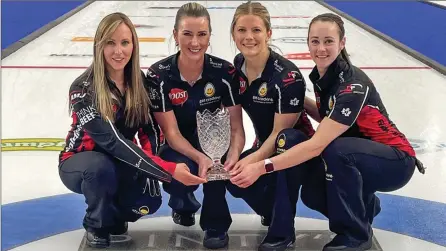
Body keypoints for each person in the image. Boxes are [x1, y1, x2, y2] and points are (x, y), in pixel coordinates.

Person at [231, 13, 426, 251]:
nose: (320, 48)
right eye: (315, 41)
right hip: (358, 154)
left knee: (335, 149)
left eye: (328, 41)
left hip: (395, 161)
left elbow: (317, 145)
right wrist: (290, 96)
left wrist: (262, 165)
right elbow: (328, 116)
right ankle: (366, 205)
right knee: (312, 194)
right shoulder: (324, 75)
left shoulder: (352, 84)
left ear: (342, 43)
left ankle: (356, 235)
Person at [58, 12, 206, 249]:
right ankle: (96, 224)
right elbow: (112, 141)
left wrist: (153, 164)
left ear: (134, 46)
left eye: (125, 43)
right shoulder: (83, 88)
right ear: (99, 46)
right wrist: (166, 170)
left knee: (149, 200)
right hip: (80, 162)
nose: (119, 51)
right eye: (111, 43)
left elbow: (149, 133)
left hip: (121, 159)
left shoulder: (139, 81)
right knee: (100, 167)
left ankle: (113, 212)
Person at [224, 2, 326, 251]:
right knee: (232, 178)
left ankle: (282, 232)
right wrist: (236, 159)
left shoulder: (286, 76)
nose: (249, 37)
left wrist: (255, 162)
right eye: (242, 30)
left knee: (286, 142)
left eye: (256, 30)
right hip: (266, 146)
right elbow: (237, 125)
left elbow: (281, 133)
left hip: (298, 151)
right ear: (233, 33)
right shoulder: (237, 65)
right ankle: (273, 209)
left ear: (268, 33)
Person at [145, 2, 245, 249]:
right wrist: (200, 157)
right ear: (175, 35)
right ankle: (183, 204)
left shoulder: (224, 72)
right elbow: (171, 132)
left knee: (216, 169)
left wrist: (232, 155)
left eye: (202, 34)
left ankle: (216, 225)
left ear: (210, 36)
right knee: (179, 172)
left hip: (214, 141)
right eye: (187, 34)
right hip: (177, 144)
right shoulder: (159, 75)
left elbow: (235, 127)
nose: (195, 42)